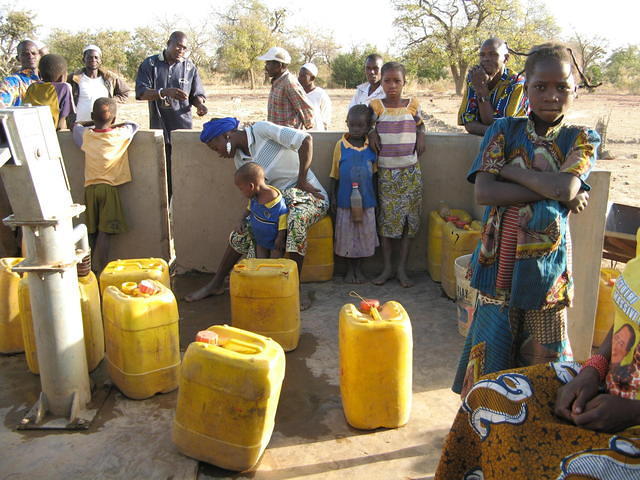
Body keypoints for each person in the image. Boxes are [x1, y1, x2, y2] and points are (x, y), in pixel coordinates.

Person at [451, 43, 600, 398]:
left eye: (562, 86)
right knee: (490, 366)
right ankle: (484, 430)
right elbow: (485, 193)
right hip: (497, 266)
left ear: (575, 90)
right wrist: (557, 192)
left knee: (542, 372)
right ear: (526, 88)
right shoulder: (503, 129)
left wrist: (507, 172)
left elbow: (566, 185)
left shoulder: (581, 137)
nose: (551, 95)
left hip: (545, 275)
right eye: (541, 86)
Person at [435, 273, 640, 479]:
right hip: (610, 382)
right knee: (486, 395)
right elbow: (627, 318)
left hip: (631, 413)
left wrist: (633, 412)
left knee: (571, 470)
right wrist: (592, 369)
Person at [185, 117, 328, 309]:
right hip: (277, 205)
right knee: (247, 227)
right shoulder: (240, 160)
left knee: (295, 218)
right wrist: (246, 218)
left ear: (227, 135)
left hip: (308, 195)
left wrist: (302, 179)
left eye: (215, 147)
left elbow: (305, 140)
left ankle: (294, 289)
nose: (217, 153)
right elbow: (255, 195)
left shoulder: (261, 130)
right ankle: (216, 283)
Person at [368, 62, 425, 288]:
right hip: (386, 174)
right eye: (387, 81)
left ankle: (402, 268)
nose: (392, 86)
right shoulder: (376, 106)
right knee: (387, 223)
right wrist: (371, 132)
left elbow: (420, 124)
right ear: (381, 82)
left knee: (409, 223)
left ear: (404, 82)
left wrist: (421, 133)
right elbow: (367, 127)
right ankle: (387, 267)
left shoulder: (412, 105)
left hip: (411, 172)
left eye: (397, 81)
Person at [135, 31, 207, 197]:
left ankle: (182, 206)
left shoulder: (189, 67)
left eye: (184, 48)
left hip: (182, 128)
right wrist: (164, 92)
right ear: (168, 43)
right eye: (178, 46)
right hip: (160, 126)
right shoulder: (150, 64)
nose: (181, 50)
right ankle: (166, 208)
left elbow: (196, 95)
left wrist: (200, 106)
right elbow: (141, 93)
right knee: (164, 171)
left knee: (183, 169)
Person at [72, 97, 139, 274]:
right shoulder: (120, 134)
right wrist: (115, 124)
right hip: (109, 189)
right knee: (105, 232)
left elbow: (76, 125)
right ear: (115, 119)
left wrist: (91, 122)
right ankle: (100, 269)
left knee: (91, 232)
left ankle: (86, 270)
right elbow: (133, 125)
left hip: (90, 189)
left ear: (93, 115)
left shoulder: (86, 135)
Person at [330, 104, 378, 284]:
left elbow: (375, 175)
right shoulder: (340, 146)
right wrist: (333, 197)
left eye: (360, 126)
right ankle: (350, 270)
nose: (356, 129)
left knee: (364, 236)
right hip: (345, 201)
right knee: (347, 237)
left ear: (368, 127)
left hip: (366, 201)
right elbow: (334, 174)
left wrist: (377, 201)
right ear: (347, 124)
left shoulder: (371, 147)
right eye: (352, 125)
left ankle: (360, 269)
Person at [458, 38, 528, 136]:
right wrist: (493, 132)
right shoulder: (474, 78)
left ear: (506, 58)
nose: (486, 59)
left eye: (493, 54)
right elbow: (469, 122)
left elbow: (502, 126)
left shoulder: (516, 83)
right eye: (482, 55)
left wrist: (481, 89)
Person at [234, 162, 288, 259]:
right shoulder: (254, 198)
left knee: (274, 265)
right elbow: (249, 209)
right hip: (261, 240)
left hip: (274, 241)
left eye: (241, 189)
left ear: (251, 186)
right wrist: (241, 220)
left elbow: (282, 215)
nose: (241, 193)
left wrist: (281, 237)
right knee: (261, 263)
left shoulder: (273, 198)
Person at [68, 45, 130, 124]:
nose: (93, 60)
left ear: (100, 60)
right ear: (83, 60)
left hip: (102, 126)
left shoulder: (110, 77)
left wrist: (111, 101)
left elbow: (125, 93)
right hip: (79, 125)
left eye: (96, 57)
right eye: (90, 57)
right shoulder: (74, 78)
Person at [258, 47, 315, 130]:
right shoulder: (277, 82)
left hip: (288, 138)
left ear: (278, 65)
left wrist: (303, 134)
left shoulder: (289, 83)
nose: (266, 67)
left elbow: (307, 110)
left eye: (268, 63)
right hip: (276, 135)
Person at [24, 54, 75, 130]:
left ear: (39, 74)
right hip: (51, 133)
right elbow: (62, 121)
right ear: (63, 77)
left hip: (31, 130)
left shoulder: (32, 87)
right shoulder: (63, 87)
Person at [0, 39, 41, 107]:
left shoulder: (47, 78)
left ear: (39, 55)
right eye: (25, 54)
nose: (31, 56)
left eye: (34, 53)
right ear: (18, 58)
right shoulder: (13, 82)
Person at [298, 62, 332, 131]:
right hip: (300, 134)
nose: (299, 79)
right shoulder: (297, 92)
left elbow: (326, 118)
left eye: (303, 76)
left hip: (317, 134)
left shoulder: (320, 94)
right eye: (299, 75)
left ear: (312, 78)